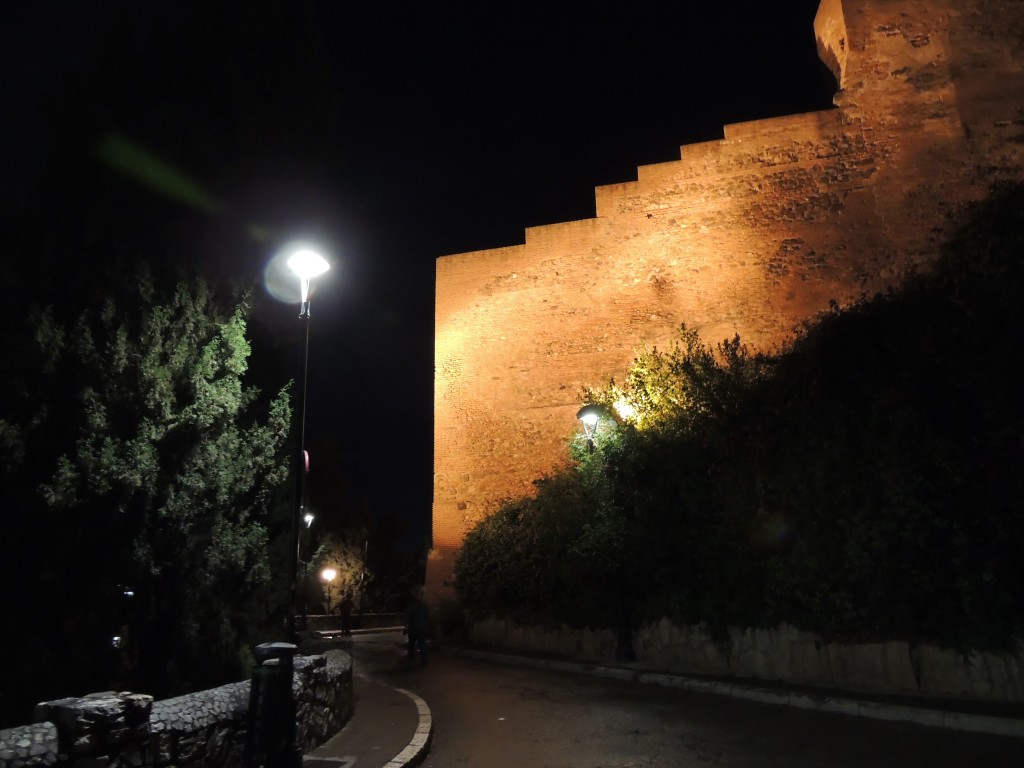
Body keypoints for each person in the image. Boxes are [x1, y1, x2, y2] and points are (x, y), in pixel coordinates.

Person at [404, 587, 430, 665]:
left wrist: (406, 625)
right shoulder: (424, 604)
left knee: (411, 643)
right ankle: (424, 660)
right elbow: (427, 615)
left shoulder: (411, 605)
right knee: (422, 644)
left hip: (413, 628)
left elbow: (407, 616)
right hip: (421, 627)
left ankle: (411, 656)